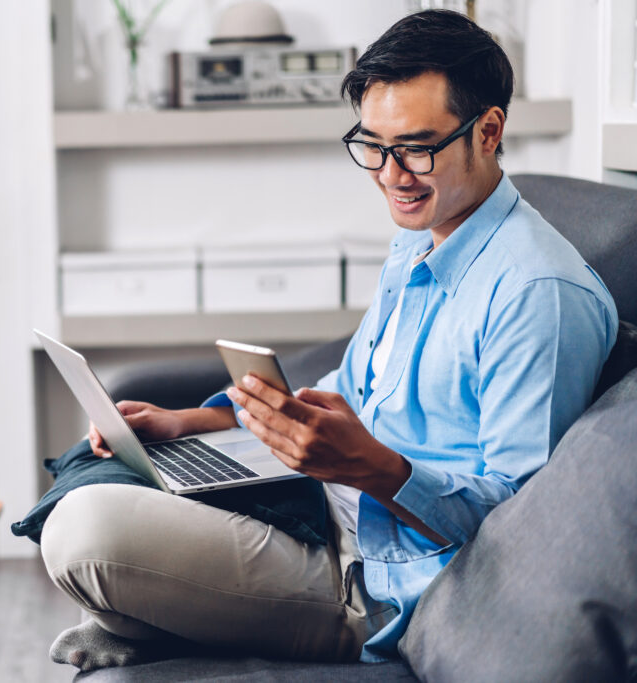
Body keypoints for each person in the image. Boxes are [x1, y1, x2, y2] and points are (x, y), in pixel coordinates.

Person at [40, 9, 619, 671]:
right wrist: (194, 421)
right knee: (107, 472)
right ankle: (153, 610)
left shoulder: (536, 294)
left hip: (377, 581)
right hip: (317, 506)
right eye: (372, 145)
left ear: (488, 131)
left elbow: (521, 527)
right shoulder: (421, 235)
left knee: (84, 532)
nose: (390, 174)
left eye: (417, 147)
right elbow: (350, 391)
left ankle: (147, 620)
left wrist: (371, 465)